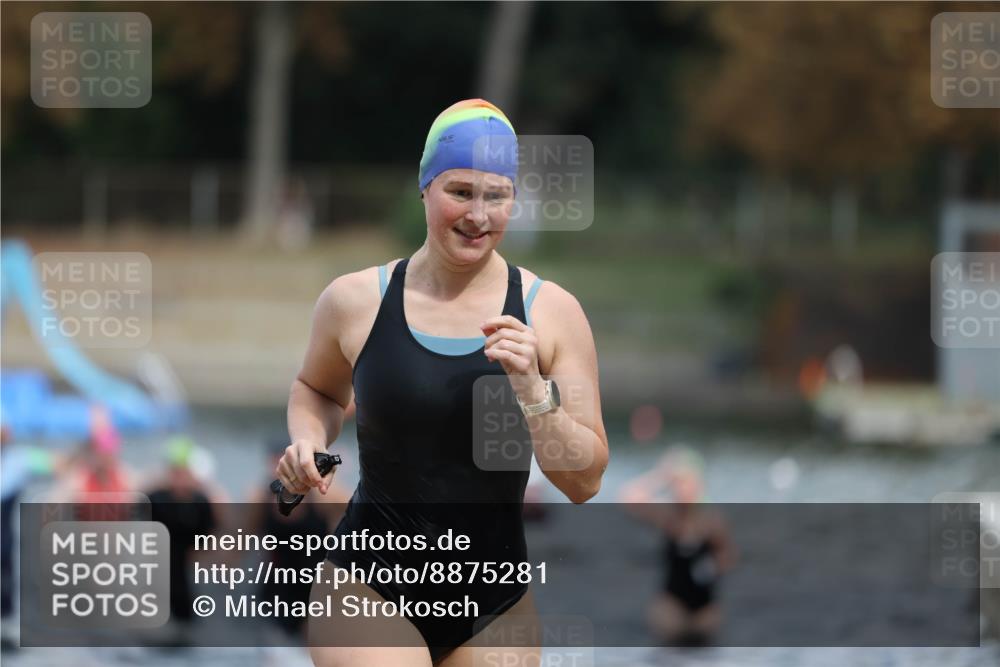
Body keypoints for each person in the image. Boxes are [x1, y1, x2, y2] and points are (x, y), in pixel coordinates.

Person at [276, 99, 609, 666]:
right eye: (460, 192)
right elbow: (318, 390)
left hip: (496, 601)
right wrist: (308, 440)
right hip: (368, 584)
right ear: (425, 187)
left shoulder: (552, 314)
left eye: (496, 196)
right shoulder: (355, 301)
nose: (478, 215)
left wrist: (535, 394)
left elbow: (584, 481)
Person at [620, 446, 735, 646]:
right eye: (677, 484)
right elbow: (629, 498)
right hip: (672, 601)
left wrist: (713, 567)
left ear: (698, 484)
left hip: (704, 604)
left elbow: (728, 556)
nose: (681, 490)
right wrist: (660, 476)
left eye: (685, 482)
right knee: (672, 635)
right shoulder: (669, 517)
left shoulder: (711, 520)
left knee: (703, 637)